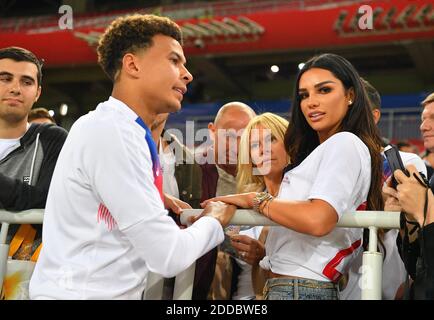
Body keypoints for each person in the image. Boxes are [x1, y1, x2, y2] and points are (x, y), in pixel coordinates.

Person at [29, 14, 236, 300]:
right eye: (175, 61)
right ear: (132, 64)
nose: (187, 74)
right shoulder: (113, 132)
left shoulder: (118, 128)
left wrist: (153, 196)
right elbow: (168, 255)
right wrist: (213, 221)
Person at [199, 53, 384, 300]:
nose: (312, 102)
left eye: (324, 90)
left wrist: (256, 199)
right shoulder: (325, 150)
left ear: (350, 95)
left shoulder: (345, 142)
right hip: (288, 287)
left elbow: (319, 219)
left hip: (301, 288)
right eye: (304, 95)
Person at [341, 79, 427, 300]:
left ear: (375, 116)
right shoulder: (332, 165)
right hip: (334, 286)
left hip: (385, 286)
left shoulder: (405, 163)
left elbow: (416, 232)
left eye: (354, 109)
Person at [0, 47, 67, 260]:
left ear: (38, 92)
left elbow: (49, 198)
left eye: (26, 82)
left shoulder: (52, 139)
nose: (15, 89)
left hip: (20, 281)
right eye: (5, 78)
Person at [193, 101, 256, 300]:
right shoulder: (192, 170)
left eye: (243, 136)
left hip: (256, 272)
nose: (233, 143)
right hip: (204, 272)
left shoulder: (267, 173)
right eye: (226, 134)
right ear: (212, 131)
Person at [229, 112, 289, 299]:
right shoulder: (242, 200)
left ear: (291, 143)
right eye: (255, 145)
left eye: (271, 140)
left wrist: (264, 255)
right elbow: (227, 239)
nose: (264, 150)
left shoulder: (309, 200)